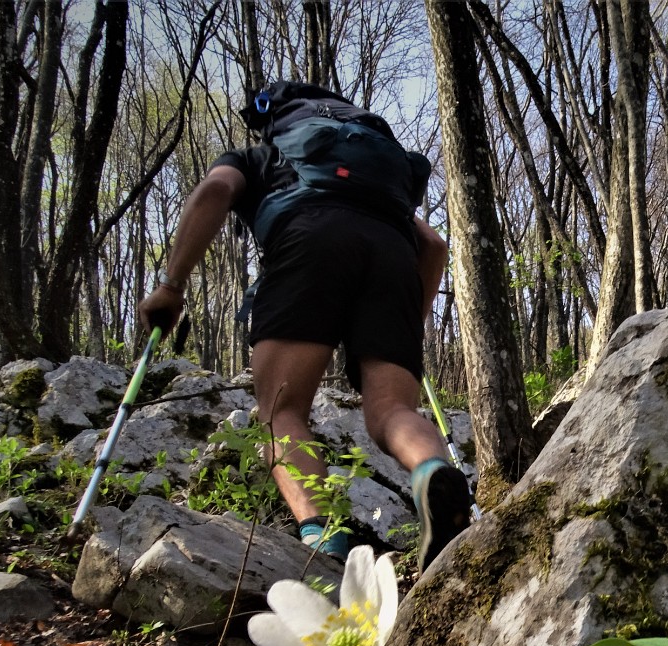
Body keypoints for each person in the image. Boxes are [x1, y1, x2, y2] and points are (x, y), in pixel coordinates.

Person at [138, 87, 471, 573]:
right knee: (392, 409)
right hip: (394, 257)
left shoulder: (259, 157)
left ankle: (325, 543)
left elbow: (214, 192)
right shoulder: (380, 182)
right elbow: (434, 247)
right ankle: (431, 470)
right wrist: (403, 332)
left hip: (309, 239)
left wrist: (171, 287)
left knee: (282, 411)